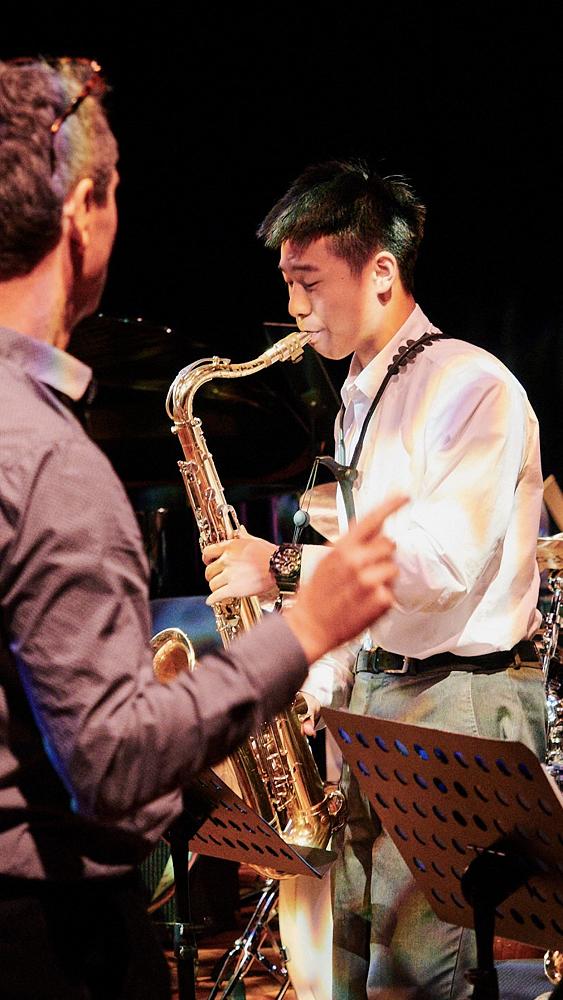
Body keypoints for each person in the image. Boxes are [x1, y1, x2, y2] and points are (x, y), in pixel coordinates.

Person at [0, 62, 402, 1000]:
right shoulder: (50, 463)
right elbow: (114, 764)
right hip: (48, 939)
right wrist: (305, 627)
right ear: (84, 210)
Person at [202, 160, 547, 1000]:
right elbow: (364, 562)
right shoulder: (361, 395)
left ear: (381, 272)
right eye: (288, 283)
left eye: (309, 282)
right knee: (355, 960)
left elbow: (439, 566)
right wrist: (318, 680)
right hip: (380, 693)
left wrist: (280, 568)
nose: (294, 307)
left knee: (419, 976)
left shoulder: (471, 385)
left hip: (459, 698)